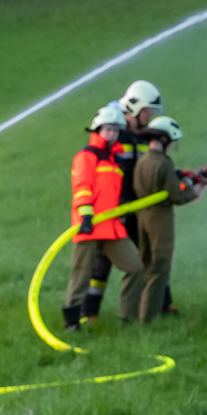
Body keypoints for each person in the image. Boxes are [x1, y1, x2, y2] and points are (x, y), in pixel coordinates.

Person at [85, 79, 166, 322]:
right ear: (134, 108)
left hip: (137, 208)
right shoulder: (114, 133)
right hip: (113, 209)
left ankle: (158, 306)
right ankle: (89, 314)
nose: (150, 116)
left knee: (149, 255)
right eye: (147, 111)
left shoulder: (145, 136)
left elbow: (154, 166)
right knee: (102, 263)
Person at [120, 115, 207, 323]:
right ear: (164, 139)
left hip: (143, 216)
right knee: (159, 267)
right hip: (160, 219)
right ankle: (149, 317)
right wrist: (195, 190)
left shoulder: (143, 160)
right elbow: (175, 195)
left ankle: (133, 312)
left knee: (145, 264)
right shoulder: (163, 163)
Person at [63, 105, 143, 332]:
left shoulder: (116, 160)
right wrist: (86, 215)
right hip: (89, 225)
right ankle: (72, 322)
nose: (111, 134)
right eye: (108, 129)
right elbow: (82, 187)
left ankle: (127, 317)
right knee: (81, 275)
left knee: (136, 267)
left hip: (111, 227)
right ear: (98, 129)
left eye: (115, 130)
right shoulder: (86, 156)